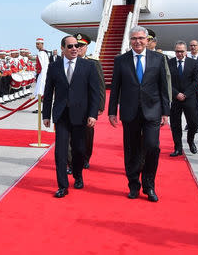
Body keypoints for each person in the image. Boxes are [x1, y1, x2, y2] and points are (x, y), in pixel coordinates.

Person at [109, 26, 170, 202]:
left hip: (153, 111)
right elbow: (115, 88)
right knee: (131, 150)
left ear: (147, 40)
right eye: (134, 38)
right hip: (130, 112)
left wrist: (165, 111)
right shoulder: (121, 60)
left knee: (152, 147)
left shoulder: (158, 59)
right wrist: (112, 111)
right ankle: (134, 185)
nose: (138, 41)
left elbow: (163, 87)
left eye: (141, 38)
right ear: (130, 40)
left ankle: (149, 185)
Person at [42, 35, 99, 198]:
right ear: (62, 48)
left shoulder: (88, 66)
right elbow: (48, 92)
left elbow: (94, 93)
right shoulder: (54, 67)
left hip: (80, 116)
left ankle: (78, 175)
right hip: (61, 115)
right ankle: (62, 185)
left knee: (79, 150)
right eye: (70, 46)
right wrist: (46, 115)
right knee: (60, 152)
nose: (75, 49)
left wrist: (92, 114)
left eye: (77, 46)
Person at [75, 33, 105, 168]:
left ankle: (86, 158)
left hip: (87, 105)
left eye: (81, 46)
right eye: (76, 45)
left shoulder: (93, 63)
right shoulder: (66, 62)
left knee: (87, 134)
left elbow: (100, 86)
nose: (78, 48)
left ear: (87, 47)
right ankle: (72, 162)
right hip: (71, 105)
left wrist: (100, 105)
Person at [168, 41, 198, 156]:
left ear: (186, 51)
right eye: (177, 51)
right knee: (175, 125)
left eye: (181, 51)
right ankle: (178, 148)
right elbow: (167, 81)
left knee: (194, 123)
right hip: (175, 99)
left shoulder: (193, 63)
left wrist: (185, 94)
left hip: (189, 98)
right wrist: (176, 94)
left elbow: (196, 81)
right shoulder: (169, 63)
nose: (179, 53)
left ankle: (190, 141)